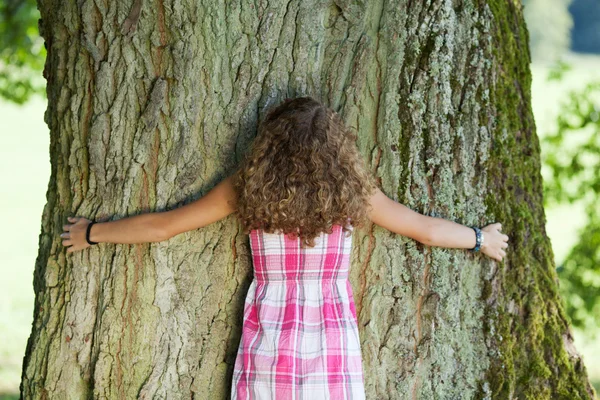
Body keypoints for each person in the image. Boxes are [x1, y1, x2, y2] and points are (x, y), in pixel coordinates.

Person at [60, 96, 509, 399]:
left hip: (273, 332)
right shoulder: (355, 191)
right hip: (331, 334)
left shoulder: (248, 189)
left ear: (268, 146)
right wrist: (479, 238)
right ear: (337, 149)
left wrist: (93, 231)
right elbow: (424, 230)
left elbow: (166, 227)